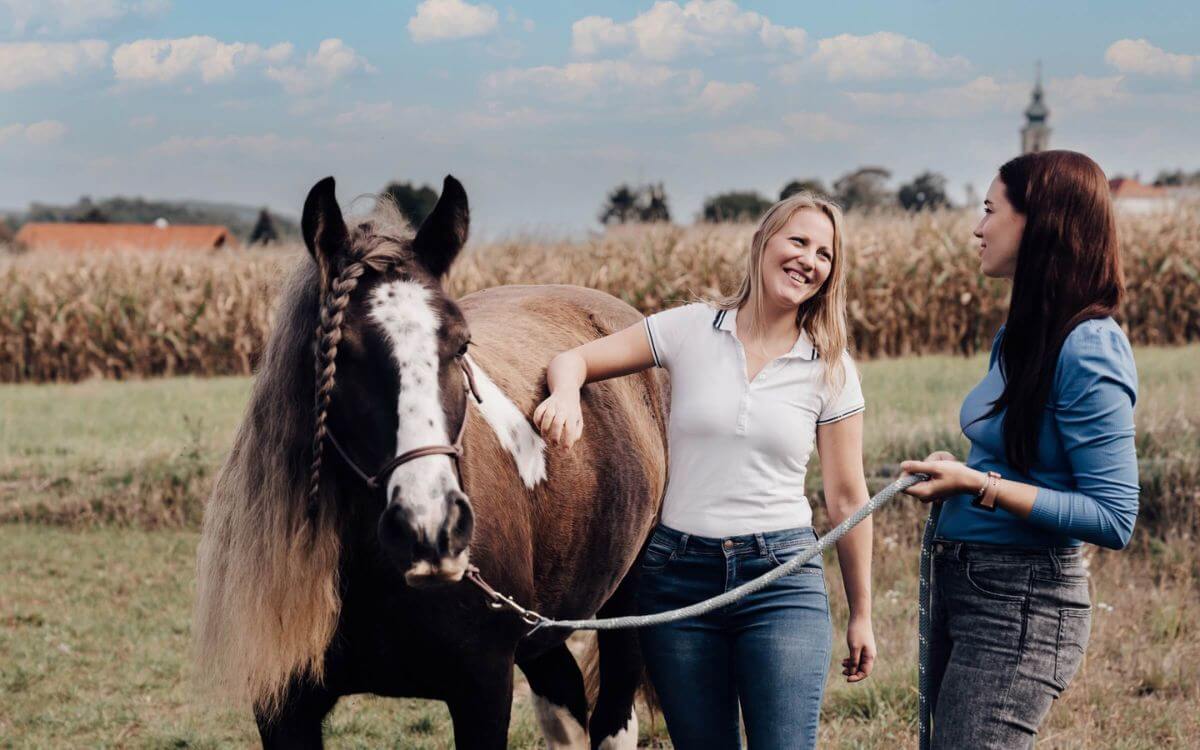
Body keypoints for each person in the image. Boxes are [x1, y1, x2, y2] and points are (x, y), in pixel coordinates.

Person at [533, 192, 874, 749]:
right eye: (798, 241)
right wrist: (566, 394)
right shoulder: (691, 328)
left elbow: (846, 497)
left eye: (825, 254)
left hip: (780, 579)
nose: (809, 260)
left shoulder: (830, 368)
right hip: (678, 582)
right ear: (764, 241)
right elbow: (573, 359)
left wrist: (862, 613)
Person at [900, 150, 1139, 748]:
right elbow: (1019, 457)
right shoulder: (1020, 335)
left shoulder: (1090, 348)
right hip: (972, 587)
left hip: (1021, 603)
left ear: (1040, 223)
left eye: (989, 210)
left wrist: (979, 487)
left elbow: (1114, 517)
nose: (977, 229)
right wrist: (969, 469)